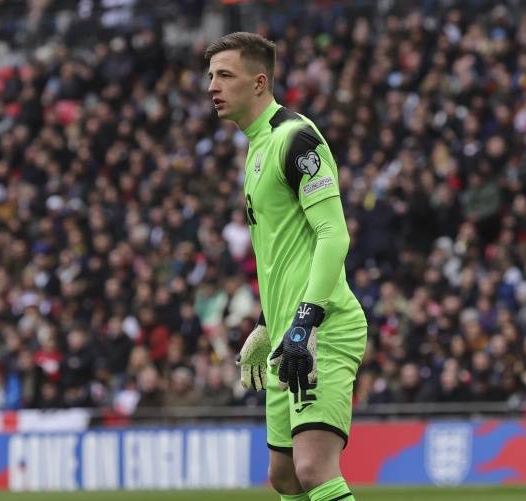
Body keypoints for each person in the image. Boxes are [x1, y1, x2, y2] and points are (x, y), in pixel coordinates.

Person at [205, 32, 367, 501]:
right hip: (286, 333)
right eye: (211, 76)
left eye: (225, 75)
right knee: (284, 475)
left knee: (313, 467)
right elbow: (283, 257)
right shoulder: (256, 147)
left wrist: (305, 320)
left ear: (259, 83)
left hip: (321, 328)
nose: (212, 86)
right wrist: (265, 325)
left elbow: (334, 234)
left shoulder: (295, 138)